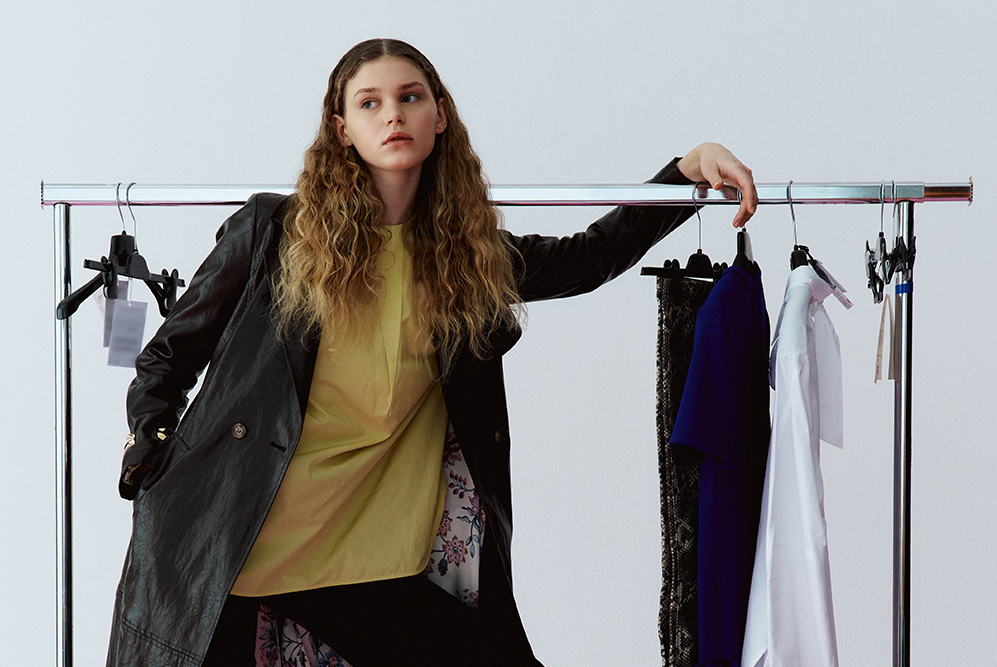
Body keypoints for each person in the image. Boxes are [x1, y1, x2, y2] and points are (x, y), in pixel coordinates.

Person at [107, 38, 757, 667]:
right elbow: (168, 356)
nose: (392, 114)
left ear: (439, 115)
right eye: (369, 102)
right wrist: (151, 455)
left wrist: (686, 171)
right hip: (242, 544)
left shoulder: (466, 259)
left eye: (410, 97)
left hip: (377, 558)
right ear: (341, 129)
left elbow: (588, 258)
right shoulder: (274, 233)